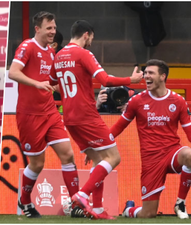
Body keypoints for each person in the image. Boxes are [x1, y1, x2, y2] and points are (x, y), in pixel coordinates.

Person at [49, 20, 143, 219]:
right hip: (86, 115)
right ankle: (82, 195)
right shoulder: (83, 53)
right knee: (114, 157)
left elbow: (52, 83)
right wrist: (131, 80)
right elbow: (106, 80)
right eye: (91, 37)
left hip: (69, 117)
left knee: (99, 159)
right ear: (86, 34)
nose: (91, 41)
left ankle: (98, 208)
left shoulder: (58, 57)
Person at [9, 11, 80, 218]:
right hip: (29, 115)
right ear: (37, 29)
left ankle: (76, 203)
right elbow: (13, 72)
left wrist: (60, 88)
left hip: (49, 111)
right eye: (49, 28)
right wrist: (37, 83)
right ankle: (24, 201)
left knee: (67, 154)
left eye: (54, 28)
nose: (53, 32)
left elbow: (50, 82)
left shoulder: (51, 52)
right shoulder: (27, 46)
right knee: (37, 164)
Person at [110, 59, 191, 219]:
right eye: (145, 73)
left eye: (151, 73)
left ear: (162, 76)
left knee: (190, 156)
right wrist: (98, 145)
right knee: (148, 214)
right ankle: (129, 210)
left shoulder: (178, 101)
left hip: (172, 153)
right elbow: (118, 127)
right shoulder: (137, 101)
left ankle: (180, 203)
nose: (146, 76)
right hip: (150, 161)